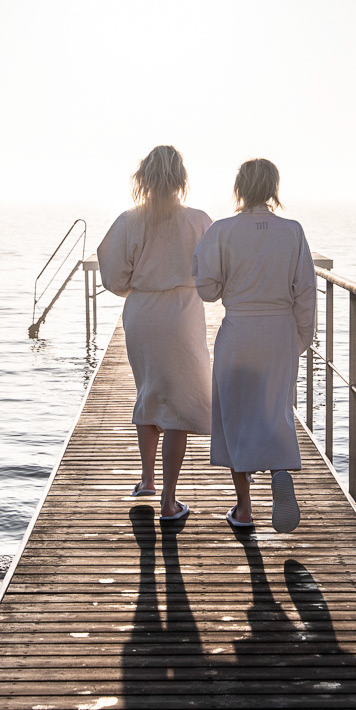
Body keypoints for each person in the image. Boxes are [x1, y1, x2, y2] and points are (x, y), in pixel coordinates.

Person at [194, 158, 316, 533]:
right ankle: (279, 467)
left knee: (236, 415)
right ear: (273, 189)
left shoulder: (222, 230)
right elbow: (306, 291)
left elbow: (208, 291)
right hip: (280, 331)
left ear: (240, 188)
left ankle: (244, 508)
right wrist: (301, 338)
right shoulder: (292, 231)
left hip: (240, 330)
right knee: (274, 407)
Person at [97, 145, 213, 523]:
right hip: (181, 313)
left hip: (143, 313)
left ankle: (147, 480)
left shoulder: (129, 221)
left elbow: (114, 278)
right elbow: (212, 275)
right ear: (180, 179)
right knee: (178, 404)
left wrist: (141, 285)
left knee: (148, 391)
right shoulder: (198, 221)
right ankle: (168, 499)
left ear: (143, 178)